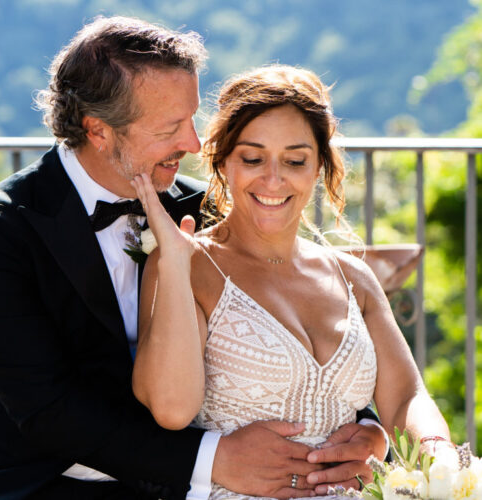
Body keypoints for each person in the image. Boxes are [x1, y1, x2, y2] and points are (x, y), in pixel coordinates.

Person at [0, 17, 387, 500]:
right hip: (55, 480)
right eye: (171, 127)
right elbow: (47, 411)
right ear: (98, 131)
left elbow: (298, 326)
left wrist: (363, 427)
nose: (194, 144)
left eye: (192, 119)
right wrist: (214, 459)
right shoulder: (0, 231)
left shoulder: (202, 208)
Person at [131, 64, 451, 499]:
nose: (273, 179)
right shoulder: (185, 264)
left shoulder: (352, 276)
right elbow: (171, 408)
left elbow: (405, 399)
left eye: (295, 160)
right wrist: (171, 265)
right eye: (253, 158)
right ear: (222, 160)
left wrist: (444, 465)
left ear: (318, 165)